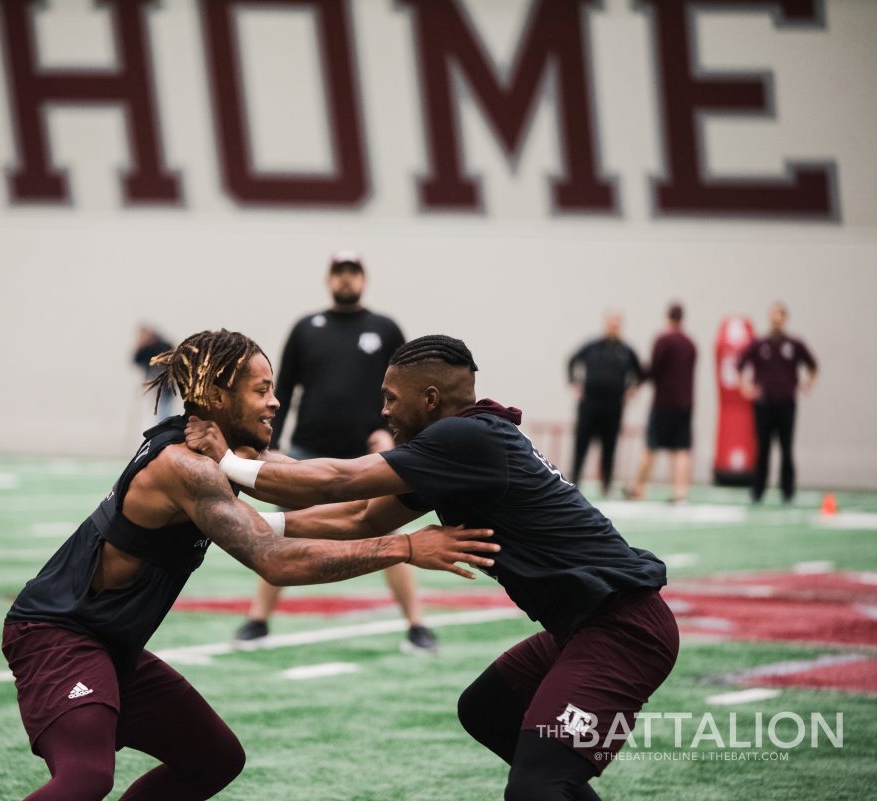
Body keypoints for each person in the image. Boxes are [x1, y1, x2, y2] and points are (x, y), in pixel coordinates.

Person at [1, 329, 498, 801]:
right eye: (262, 390)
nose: (275, 402)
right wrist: (406, 548)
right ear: (217, 397)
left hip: (111, 643)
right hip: (58, 632)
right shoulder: (185, 465)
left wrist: (421, 485)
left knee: (212, 759)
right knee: (86, 777)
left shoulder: (227, 454)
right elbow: (276, 561)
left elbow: (332, 496)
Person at [186, 334, 677, 801]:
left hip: (624, 629)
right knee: (489, 710)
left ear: (431, 398)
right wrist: (249, 524)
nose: (383, 410)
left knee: (538, 785)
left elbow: (336, 481)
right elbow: (360, 516)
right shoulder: (458, 448)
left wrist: (226, 461)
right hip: (586, 625)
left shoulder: (464, 438)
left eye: (391, 398)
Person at [233, 250, 437, 654]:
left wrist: (390, 436)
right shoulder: (307, 328)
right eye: (340, 273)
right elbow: (283, 389)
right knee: (285, 527)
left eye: (353, 273)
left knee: (386, 528)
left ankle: (417, 625)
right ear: (329, 279)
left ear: (363, 278)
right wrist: (265, 441)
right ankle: (258, 619)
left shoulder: (385, 328)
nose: (347, 279)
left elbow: (403, 390)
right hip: (308, 448)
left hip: (368, 452)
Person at [738, 302, 818, 504]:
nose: (776, 319)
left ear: (785, 319)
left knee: (786, 448)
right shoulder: (759, 344)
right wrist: (745, 387)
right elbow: (740, 364)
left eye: (780, 316)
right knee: (762, 448)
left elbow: (813, 365)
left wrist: (807, 384)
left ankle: (788, 491)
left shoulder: (794, 344)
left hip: (786, 404)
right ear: (769, 318)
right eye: (773, 315)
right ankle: (758, 491)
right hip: (764, 405)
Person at [625, 302, 697, 503]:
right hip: (685, 403)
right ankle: (681, 492)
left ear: (667, 317)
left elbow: (654, 369)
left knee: (651, 446)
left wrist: (636, 384)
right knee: (682, 448)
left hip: (664, 402)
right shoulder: (690, 344)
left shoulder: (663, 340)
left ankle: (639, 489)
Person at [566, 311, 644, 496]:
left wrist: (631, 391)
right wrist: (574, 384)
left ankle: (606, 484)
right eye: (611, 324)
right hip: (590, 406)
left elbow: (640, 373)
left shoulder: (626, 351)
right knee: (581, 443)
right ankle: (575, 480)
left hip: (613, 407)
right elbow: (571, 361)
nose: (613, 328)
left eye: (616, 324)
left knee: (609, 446)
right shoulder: (592, 346)